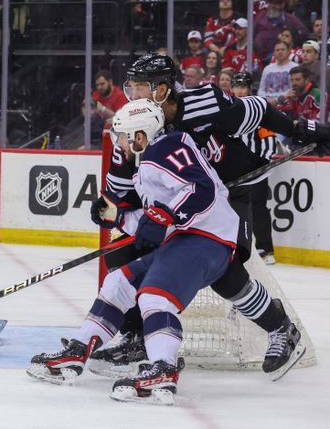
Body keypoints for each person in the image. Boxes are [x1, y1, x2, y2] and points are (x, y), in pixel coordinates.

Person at [86, 54, 328, 381]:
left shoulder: (205, 101)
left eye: (139, 87)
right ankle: (137, 338)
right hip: (179, 202)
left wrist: (300, 128)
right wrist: (110, 209)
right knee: (124, 252)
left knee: (225, 270)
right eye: (131, 87)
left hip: (233, 187)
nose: (132, 95)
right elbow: (122, 191)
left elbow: (258, 110)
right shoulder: (134, 123)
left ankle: (281, 329)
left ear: (161, 90)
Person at [29, 99, 237, 404]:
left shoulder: (164, 148)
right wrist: (118, 219)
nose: (120, 144)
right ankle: (77, 352)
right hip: (185, 240)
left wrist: (163, 217)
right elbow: (159, 217)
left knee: (155, 297)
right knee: (117, 284)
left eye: (123, 137)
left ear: (140, 136)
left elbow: (201, 190)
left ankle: (163, 369)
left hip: (207, 240)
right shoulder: (148, 163)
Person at [231, 71, 277, 266]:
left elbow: (269, 142)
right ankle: (237, 247)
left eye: (243, 87)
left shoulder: (259, 112)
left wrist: (260, 163)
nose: (240, 91)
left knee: (258, 208)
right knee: (233, 209)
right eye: (237, 86)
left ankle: (265, 248)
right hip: (235, 171)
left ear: (250, 88)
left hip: (257, 171)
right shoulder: (228, 111)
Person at [259, 41, 298, 106]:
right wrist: (266, 101)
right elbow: (261, 90)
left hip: (285, 105)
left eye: (283, 49)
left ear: (288, 51)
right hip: (267, 104)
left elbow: (293, 90)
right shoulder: (267, 68)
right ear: (274, 53)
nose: (280, 52)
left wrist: (277, 100)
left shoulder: (295, 67)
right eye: (277, 50)